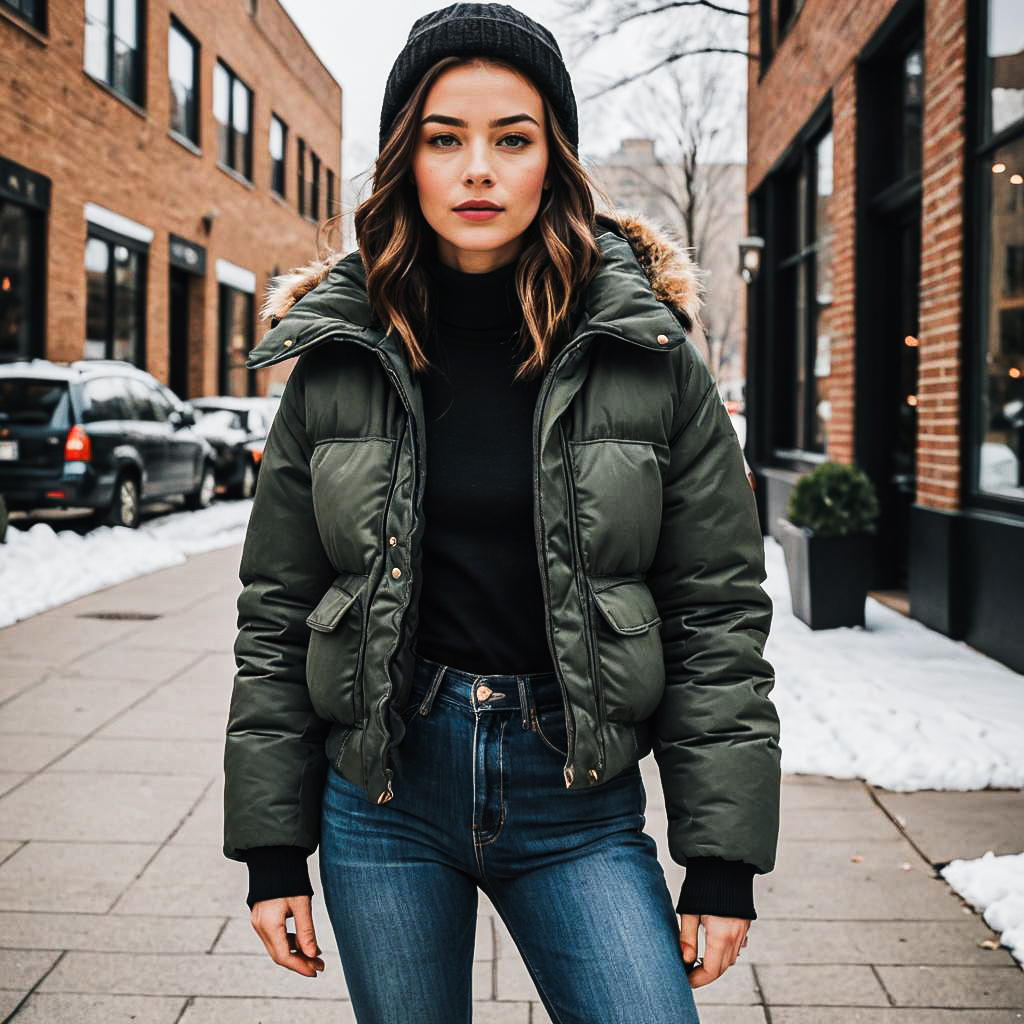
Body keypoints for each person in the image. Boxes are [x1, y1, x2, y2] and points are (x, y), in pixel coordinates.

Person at [222, 4, 782, 1022]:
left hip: (576, 796)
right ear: (408, 160)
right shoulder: (338, 361)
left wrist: (720, 859)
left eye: (511, 138)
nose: (477, 168)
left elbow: (714, 613)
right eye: (445, 138)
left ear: (551, 160)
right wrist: (271, 850)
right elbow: (278, 609)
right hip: (384, 796)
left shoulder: (647, 355)